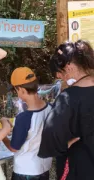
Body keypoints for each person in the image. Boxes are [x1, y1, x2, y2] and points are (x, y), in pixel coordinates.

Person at [38, 40, 94, 180]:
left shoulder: (68, 98)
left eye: (60, 73)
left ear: (69, 67)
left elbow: (51, 137)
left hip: (81, 168)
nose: (59, 77)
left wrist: (65, 144)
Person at [2, 67, 52, 180]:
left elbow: (14, 148)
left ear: (21, 90)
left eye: (16, 90)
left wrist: (3, 135)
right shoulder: (51, 108)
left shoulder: (23, 118)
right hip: (44, 168)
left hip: (25, 172)